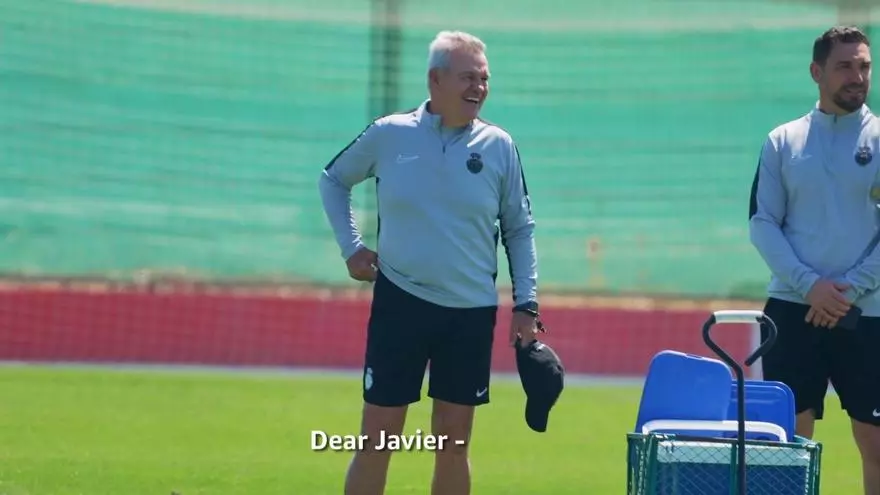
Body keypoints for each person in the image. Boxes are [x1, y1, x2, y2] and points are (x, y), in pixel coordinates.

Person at [317, 30, 542, 495]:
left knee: (453, 445)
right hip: (402, 303)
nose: (478, 87)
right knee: (377, 440)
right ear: (435, 80)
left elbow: (519, 230)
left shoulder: (499, 145)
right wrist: (351, 246)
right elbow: (333, 179)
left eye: (484, 78)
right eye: (467, 77)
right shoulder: (389, 134)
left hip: (470, 314)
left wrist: (527, 304)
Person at [749, 25, 880, 494]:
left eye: (864, 66)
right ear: (816, 72)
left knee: (876, 441)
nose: (857, 76)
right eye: (845, 66)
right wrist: (811, 286)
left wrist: (847, 289)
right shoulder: (783, 141)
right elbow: (763, 223)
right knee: (789, 443)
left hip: (868, 313)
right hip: (793, 310)